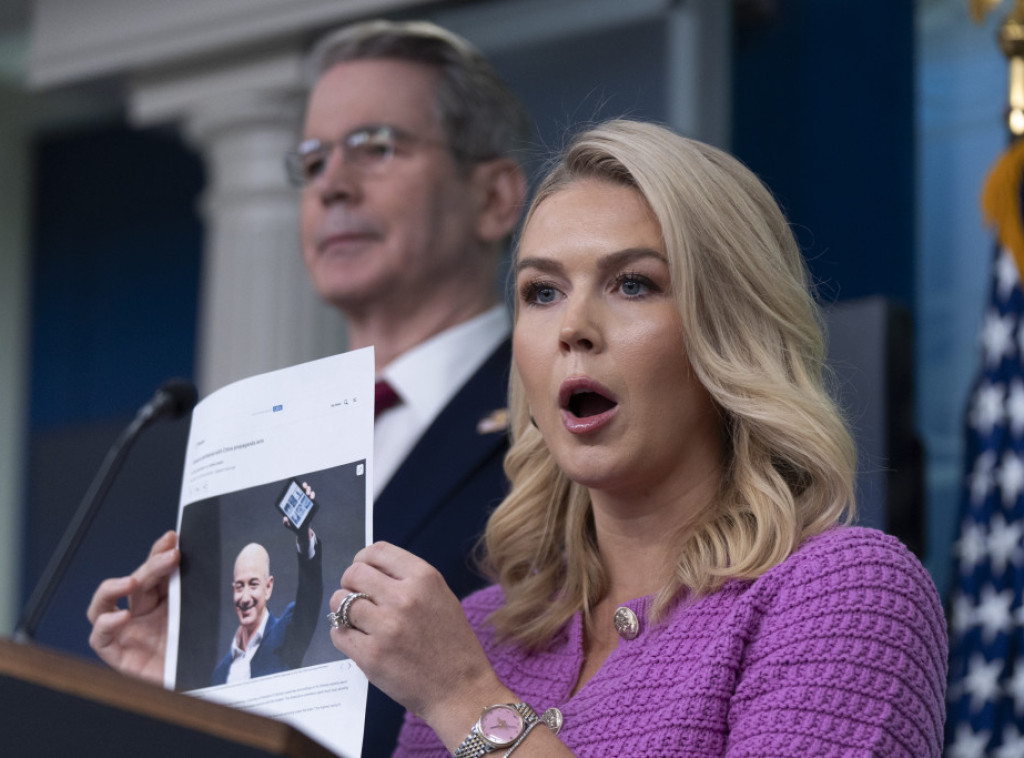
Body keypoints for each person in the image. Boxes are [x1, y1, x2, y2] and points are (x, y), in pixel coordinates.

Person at [325, 119, 949, 757]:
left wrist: (464, 699)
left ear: (732, 333)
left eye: (633, 284)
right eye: (543, 292)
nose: (572, 327)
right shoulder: (482, 632)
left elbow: (464, 698)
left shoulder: (846, 591)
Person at [86, 18, 532, 757]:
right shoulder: (272, 438)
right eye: (314, 160)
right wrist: (186, 682)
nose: (333, 185)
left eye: (376, 146)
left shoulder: (556, 415)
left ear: (493, 197)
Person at [211, 527, 322, 685]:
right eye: (239, 587)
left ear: (268, 587)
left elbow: (310, 595)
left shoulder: (287, 634)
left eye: (253, 584)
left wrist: (304, 539)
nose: (245, 598)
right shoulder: (219, 673)